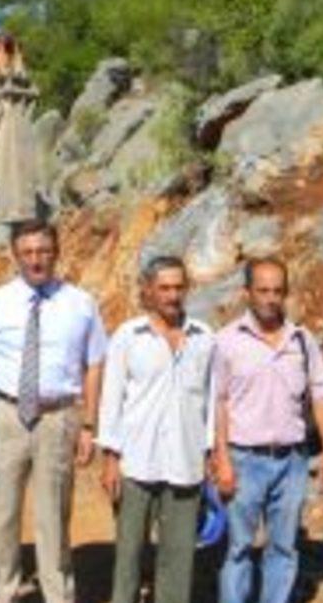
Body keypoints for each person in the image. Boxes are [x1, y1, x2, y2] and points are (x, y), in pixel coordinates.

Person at [0, 219, 108, 603]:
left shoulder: (81, 304)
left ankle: (58, 594)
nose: (35, 259)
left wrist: (89, 425)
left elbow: (94, 364)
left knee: (54, 516)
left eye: (43, 250)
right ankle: (1, 592)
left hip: (58, 418)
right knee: (0, 514)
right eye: (27, 252)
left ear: (56, 252)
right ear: (15, 255)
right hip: (4, 415)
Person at [213, 257, 323, 603]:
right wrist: (221, 458)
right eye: (263, 290)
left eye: (277, 291)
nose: (271, 298)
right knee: (238, 548)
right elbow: (217, 402)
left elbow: (321, 393)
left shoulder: (302, 340)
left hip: (293, 461)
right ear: (247, 293)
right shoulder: (226, 341)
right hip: (243, 459)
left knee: (284, 548)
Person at [98, 256, 216, 603]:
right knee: (129, 554)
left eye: (179, 287)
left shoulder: (204, 338)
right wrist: (110, 459)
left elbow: (212, 401)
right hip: (137, 462)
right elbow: (111, 400)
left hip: (185, 462)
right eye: (164, 288)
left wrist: (210, 453)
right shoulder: (128, 336)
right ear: (148, 290)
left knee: (178, 558)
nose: (172, 295)